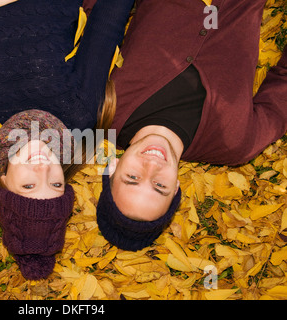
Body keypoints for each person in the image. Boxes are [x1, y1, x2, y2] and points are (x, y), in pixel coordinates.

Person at [0, 0, 135, 278]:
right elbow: (106, 25)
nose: (43, 168)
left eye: (29, 184)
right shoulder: (78, 116)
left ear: (3, 182)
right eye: (55, 183)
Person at [95, 0, 287, 251]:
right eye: (159, 186)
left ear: (113, 167)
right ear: (175, 188)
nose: (151, 167)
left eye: (132, 177)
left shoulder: (104, 105)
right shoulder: (234, 143)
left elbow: (95, 22)